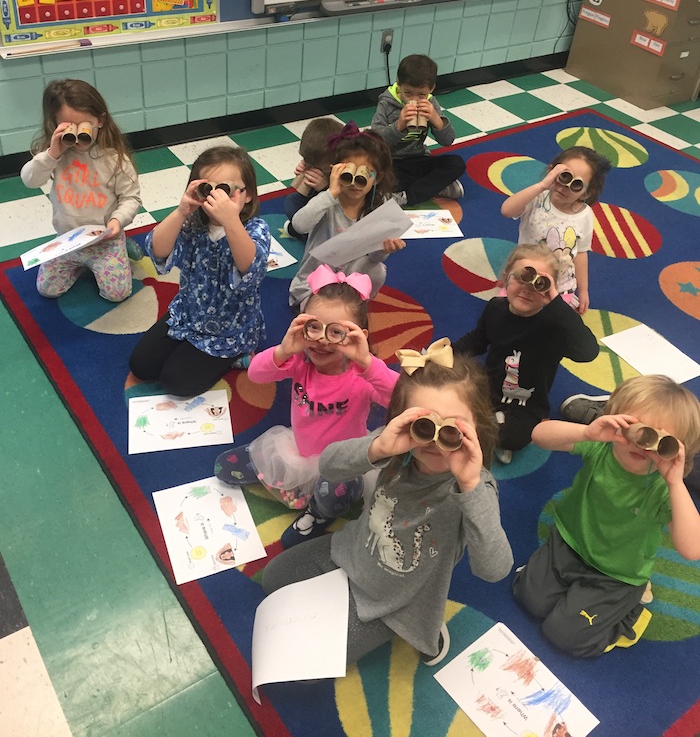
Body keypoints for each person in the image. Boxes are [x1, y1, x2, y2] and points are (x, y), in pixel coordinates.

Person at [261, 338, 513, 667]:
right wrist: (377, 447)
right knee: (273, 579)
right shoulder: (396, 449)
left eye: (452, 429)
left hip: (397, 601)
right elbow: (329, 466)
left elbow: (494, 570)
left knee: (306, 663)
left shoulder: (476, 487)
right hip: (352, 552)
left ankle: (427, 625)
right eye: (424, 425)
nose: (435, 440)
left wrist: (470, 486)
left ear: (477, 427)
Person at [513, 375, 700, 657]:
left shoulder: (663, 488)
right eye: (638, 431)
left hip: (617, 574)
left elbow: (692, 548)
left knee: (563, 635)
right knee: (529, 599)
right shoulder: (602, 447)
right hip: (569, 543)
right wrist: (586, 432)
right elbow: (539, 435)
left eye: (659, 441)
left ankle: (629, 614)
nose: (642, 446)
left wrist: (675, 483)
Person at [214, 264, 399, 547]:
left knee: (332, 491)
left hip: (341, 465)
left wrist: (367, 362)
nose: (322, 340)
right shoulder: (300, 362)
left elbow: (402, 397)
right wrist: (284, 350)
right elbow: (256, 375)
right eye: (314, 327)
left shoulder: (362, 376)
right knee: (224, 467)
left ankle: (320, 513)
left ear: (358, 336)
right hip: (297, 450)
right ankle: (297, 486)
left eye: (336, 332)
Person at [129, 145, 269, 397]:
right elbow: (157, 250)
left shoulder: (255, 228)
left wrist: (230, 220)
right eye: (207, 189)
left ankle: (236, 356)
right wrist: (182, 211)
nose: (216, 198)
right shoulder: (193, 223)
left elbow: (251, 269)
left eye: (225, 190)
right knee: (141, 365)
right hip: (188, 313)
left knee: (176, 382)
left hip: (228, 328)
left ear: (247, 195)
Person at [453, 243, 599, 464]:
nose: (527, 289)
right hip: (487, 388)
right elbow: (478, 340)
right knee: (449, 398)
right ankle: (491, 427)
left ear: (551, 290)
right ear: (505, 278)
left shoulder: (554, 325)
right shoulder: (496, 308)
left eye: (540, 284)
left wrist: (557, 305)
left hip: (527, 404)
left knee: (517, 436)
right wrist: (445, 354)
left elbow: (588, 352)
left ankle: (493, 430)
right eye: (522, 277)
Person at [20, 79, 142, 302]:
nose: (77, 136)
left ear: (100, 120)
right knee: (47, 290)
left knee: (117, 294)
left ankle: (123, 246)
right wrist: (52, 154)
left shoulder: (114, 158)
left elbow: (131, 198)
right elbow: (29, 180)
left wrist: (117, 222)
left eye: (84, 126)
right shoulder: (54, 156)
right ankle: (82, 265)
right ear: (55, 124)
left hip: (105, 241)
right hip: (68, 240)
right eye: (68, 127)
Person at [288, 123, 405, 308]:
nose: (354, 183)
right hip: (317, 275)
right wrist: (330, 193)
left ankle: (351, 304)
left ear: (377, 178)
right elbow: (299, 225)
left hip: (350, 275)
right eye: (348, 173)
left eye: (364, 175)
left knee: (378, 271)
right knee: (322, 313)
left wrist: (384, 249)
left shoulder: (377, 207)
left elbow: (374, 258)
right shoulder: (327, 201)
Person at [500, 145, 611, 314]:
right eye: (563, 176)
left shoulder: (585, 215)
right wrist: (542, 185)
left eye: (576, 184)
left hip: (560, 286)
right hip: (527, 278)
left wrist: (583, 291)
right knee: (506, 312)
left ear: (586, 193)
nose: (565, 186)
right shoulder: (537, 198)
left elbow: (581, 253)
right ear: (552, 172)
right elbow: (507, 211)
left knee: (557, 322)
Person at [371, 53, 465, 206]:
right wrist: (398, 126)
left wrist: (436, 119)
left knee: (457, 163)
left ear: (431, 89)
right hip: (392, 162)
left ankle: (407, 196)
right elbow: (374, 144)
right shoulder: (386, 104)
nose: (414, 99)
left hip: (419, 159)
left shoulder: (430, 103)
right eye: (408, 93)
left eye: (421, 94)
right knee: (376, 179)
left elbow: (448, 141)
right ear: (399, 85)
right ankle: (434, 187)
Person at [284, 116, 341, 240]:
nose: (312, 167)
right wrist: (303, 174)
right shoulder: (321, 161)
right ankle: (303, 232)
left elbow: (342, 204)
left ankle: (307, 235)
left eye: (317, 166)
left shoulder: (342, 169)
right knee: (291, 201)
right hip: (316, 205)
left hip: (335, 214)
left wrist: (325, 189)